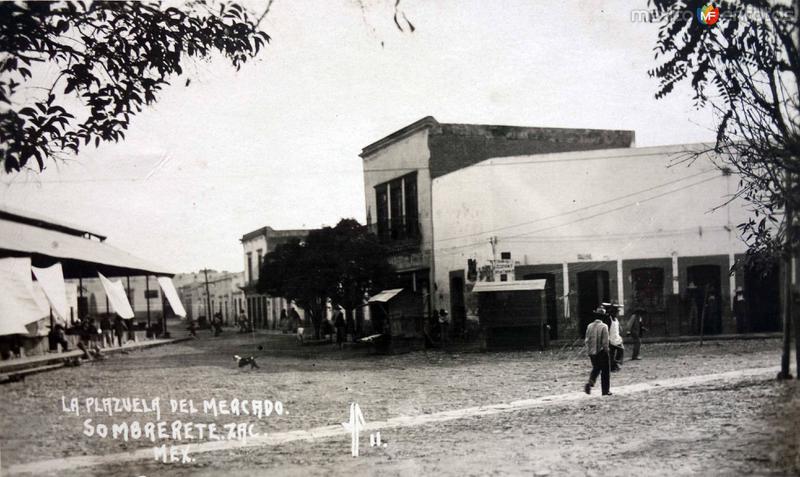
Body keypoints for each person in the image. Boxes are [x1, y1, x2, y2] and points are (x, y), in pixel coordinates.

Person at [584, 308, 612, 396]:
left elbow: (586, 340)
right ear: (603, 317)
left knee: (596, 368)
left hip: (592, 352)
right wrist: (607, 351)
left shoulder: (589, 326)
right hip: (601, 352)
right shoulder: (604, 326)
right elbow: (605, 342)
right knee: (605, 372)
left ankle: (590, 382)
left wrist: (589, 351)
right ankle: (605, 390)